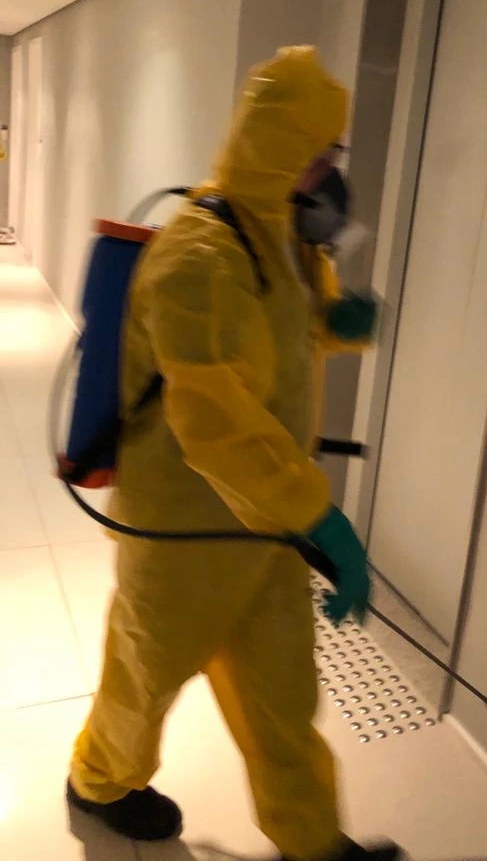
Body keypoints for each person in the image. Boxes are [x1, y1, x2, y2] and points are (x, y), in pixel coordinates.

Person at [66, 46, 400, 861]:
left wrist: (334, 325)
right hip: (181, 530)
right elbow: (215, 421)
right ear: (275, 146)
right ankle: (99, 781)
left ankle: (312, 840)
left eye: (333, 154)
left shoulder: (283, 239)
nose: (329, 174)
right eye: (318, 153)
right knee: (143, 682)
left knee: (284, 694)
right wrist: (321, 518)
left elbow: (278, 336)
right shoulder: (199, 256)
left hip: (262, 523)